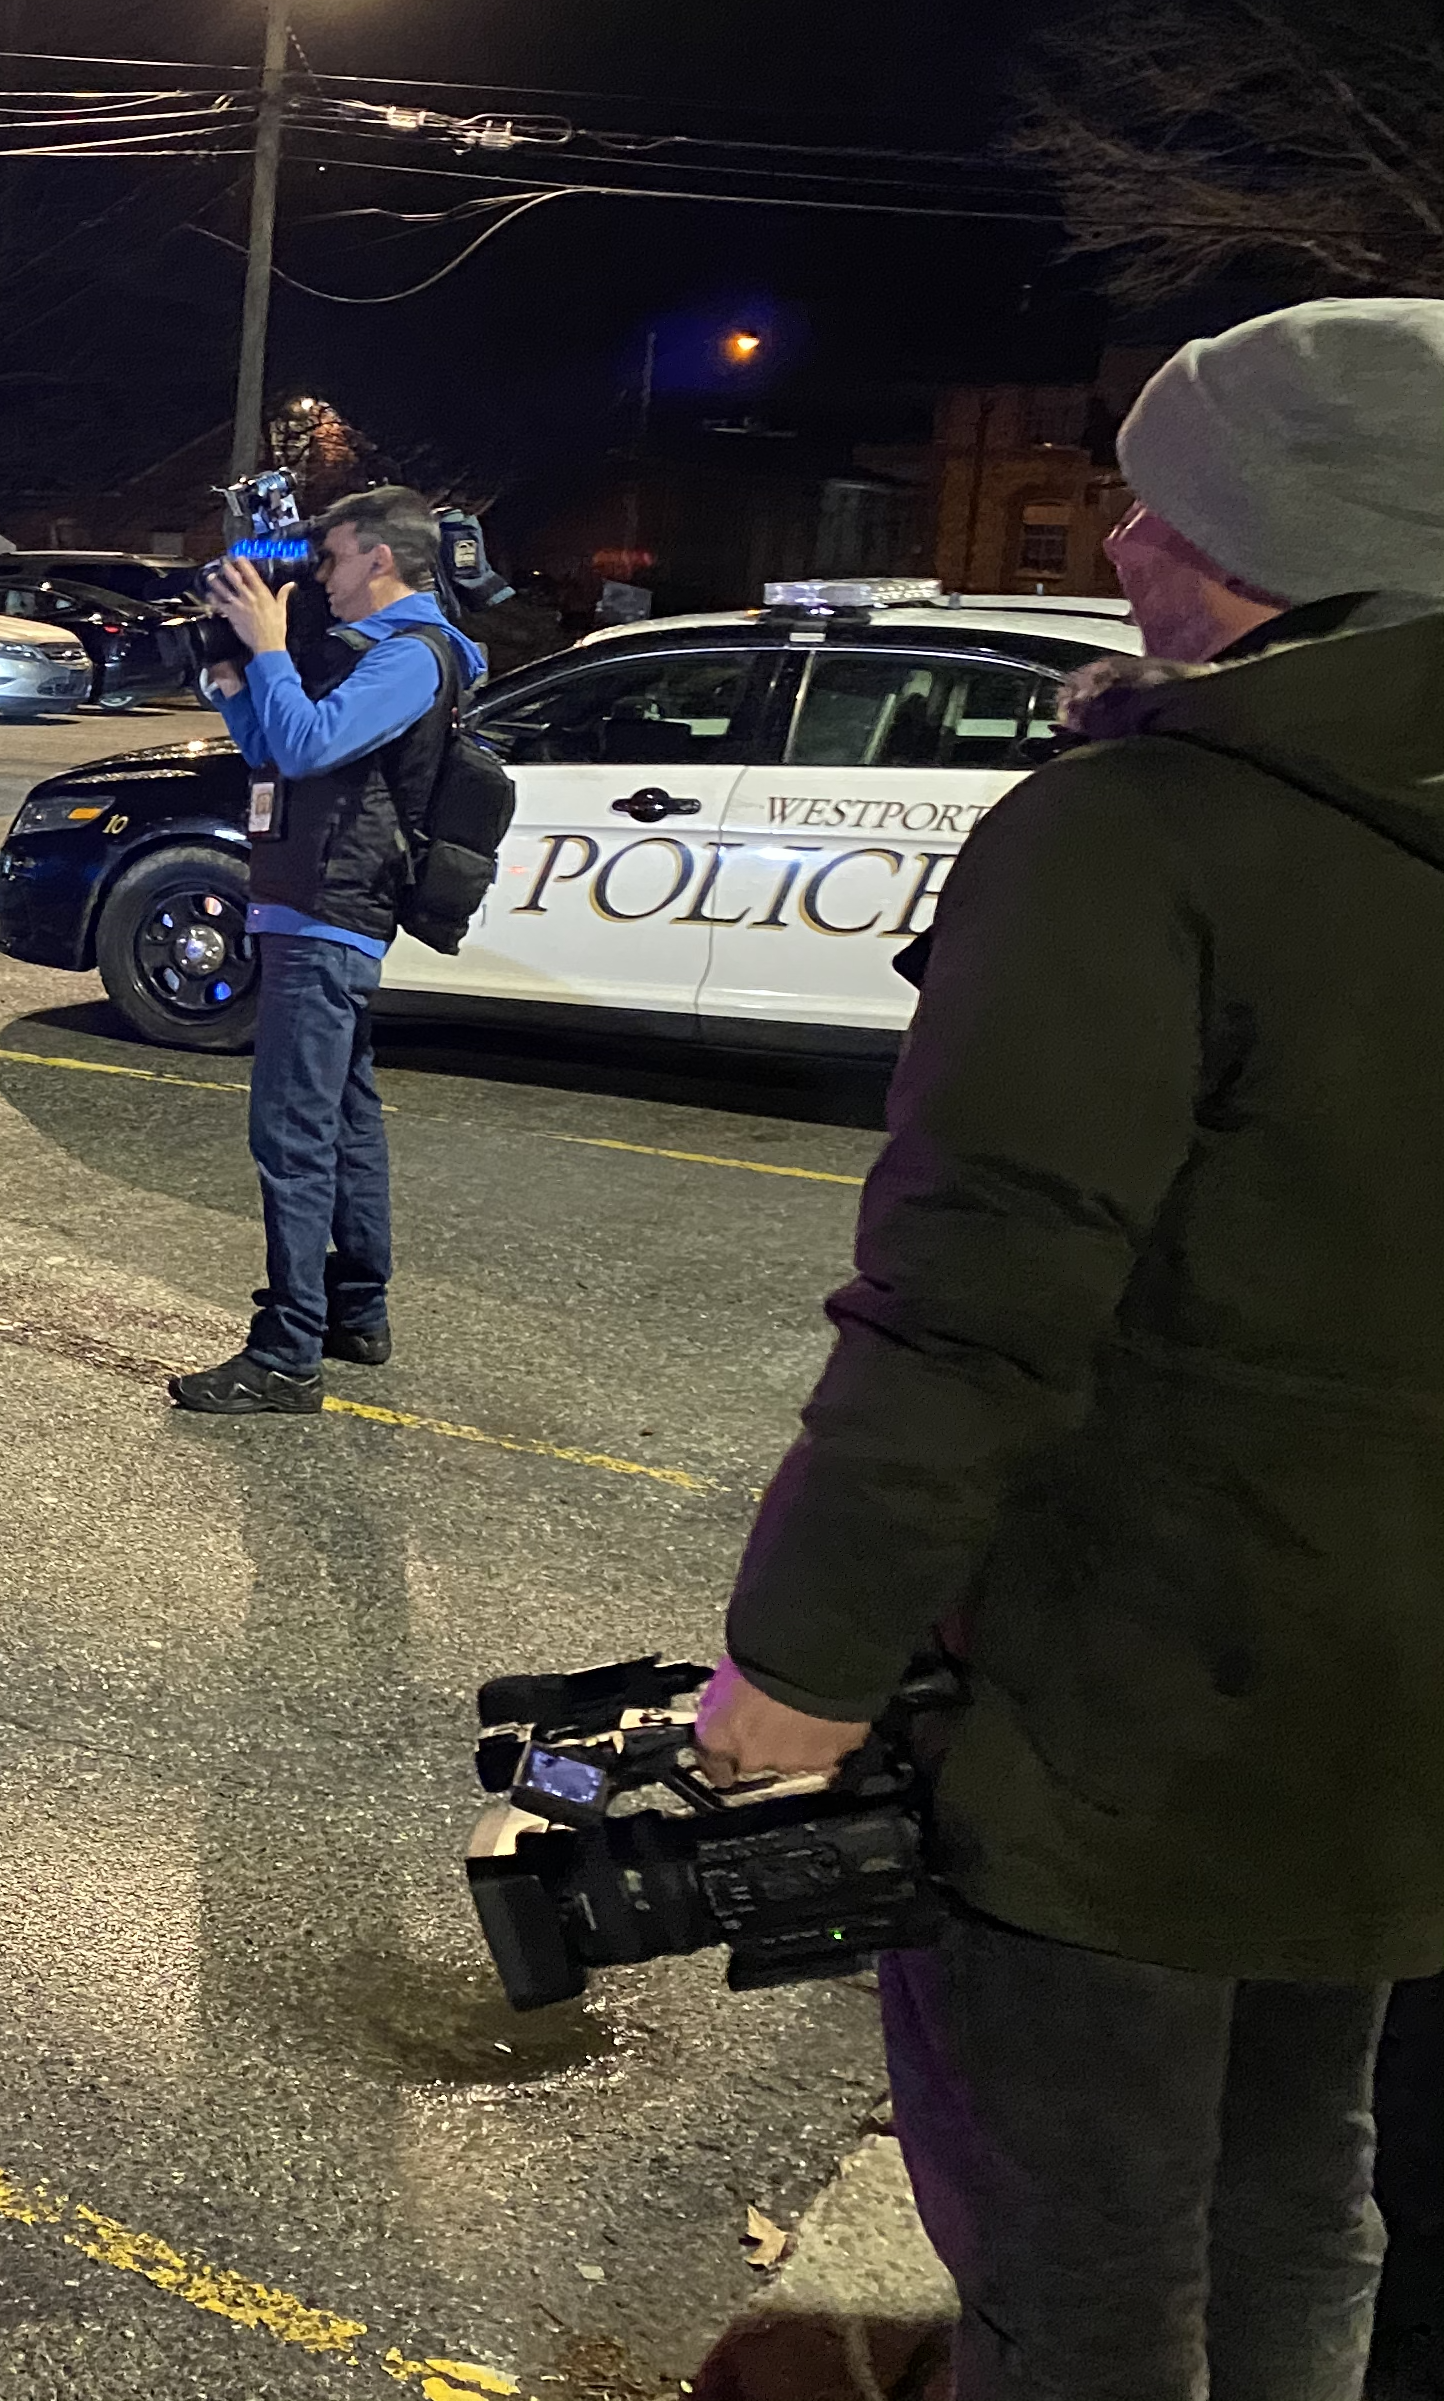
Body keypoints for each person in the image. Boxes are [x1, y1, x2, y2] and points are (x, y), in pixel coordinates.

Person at [693, 295, 1444, 2401]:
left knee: (1084, 2264)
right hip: (1393, 1718)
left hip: (1129, 1712)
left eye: (1164, 506)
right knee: (1307, 2186)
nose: (1117, 541)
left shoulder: (1147, 836)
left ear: (1282, 539)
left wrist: (805, 1663)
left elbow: (983, 1302)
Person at [165, 483, 487, 1415]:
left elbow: (308, 748)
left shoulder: (412, 657)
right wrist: (234, 677)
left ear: (380, 558)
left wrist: (269, 642)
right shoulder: (380, 654)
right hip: (313, 908)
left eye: (334, 560)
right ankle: (355, 1313)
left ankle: (285, 1354)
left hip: (328, 915)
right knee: (345, 1123)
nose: (323, 581)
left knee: (291, 1136)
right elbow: (279, 747)